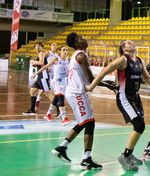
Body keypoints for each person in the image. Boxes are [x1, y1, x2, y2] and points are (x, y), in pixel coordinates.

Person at [86, 39, 150, 171]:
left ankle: (130, 153)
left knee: (139, 126)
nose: (132, 43)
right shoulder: (122, 60)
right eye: (128, 43)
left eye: (132, 42)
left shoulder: (140, 61)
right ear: (124, 49)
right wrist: (91, 87)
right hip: (124, 97)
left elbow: (146, 78)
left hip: (136, 97)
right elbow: (103, 72)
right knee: (140, 125)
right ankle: (125, 156)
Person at [51, 32, 102, 170]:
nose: (84, 39)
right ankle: (86, 159)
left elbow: (88, 80)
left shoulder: (77, 55)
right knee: (89, 123)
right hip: (76, 93)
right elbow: (92, 79)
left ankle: (62, 147)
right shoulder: (81, 55)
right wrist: (109, 82)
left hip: (76, 92)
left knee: (85, 122)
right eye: (80, 38)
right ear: (76, 43)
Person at [32, 45, 71, 125]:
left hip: (64, 82)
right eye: (63, 50)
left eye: (66, 50)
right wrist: (36, 73)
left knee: (56, 98)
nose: (65, 51)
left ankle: (48, 114)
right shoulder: (56, 59)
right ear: (60, 52)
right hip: (56, 82)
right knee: (60, 98)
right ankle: (64, 118)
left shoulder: (68, 60)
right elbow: (45, 66)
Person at [23, 42, 53, 115]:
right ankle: (32, 110)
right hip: (40, 75)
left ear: (42, 47)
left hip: (43, 76)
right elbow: (41, 63)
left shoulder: (41, 53)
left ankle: (59, 109)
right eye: (36, 46)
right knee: (32, 91)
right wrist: (35, 64)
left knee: (48, 94)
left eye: (39, 46)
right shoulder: (39, 54)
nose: (38, 48)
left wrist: (33, 61)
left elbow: (41, 63)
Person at [34, 42, 58, 112]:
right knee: (46, 90)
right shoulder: (48, 53)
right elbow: (43, 61)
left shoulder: (56, 55)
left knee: (44, 89)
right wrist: (47, 66)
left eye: (55, 45)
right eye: (53, 45)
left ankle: (37, 101)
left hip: (54, 74)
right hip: (47, 73)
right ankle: (57, 107)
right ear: (50, 47)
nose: (55, 46)